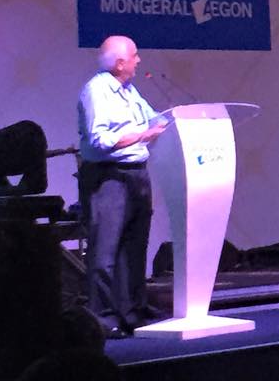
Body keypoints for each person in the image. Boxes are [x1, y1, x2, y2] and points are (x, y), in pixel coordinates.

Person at [78, 35, 166, 339]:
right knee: (105, 252)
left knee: (134, 248)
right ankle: (102, 317)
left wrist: (177, 117)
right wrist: (142, 135)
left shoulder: (130, 91)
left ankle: (132, 312)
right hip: (109, 177)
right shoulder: (97, 91)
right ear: (119, 63)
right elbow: (99, 140)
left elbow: (153, 120)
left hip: (137, 175)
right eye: (134, 56)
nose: (139, 61)